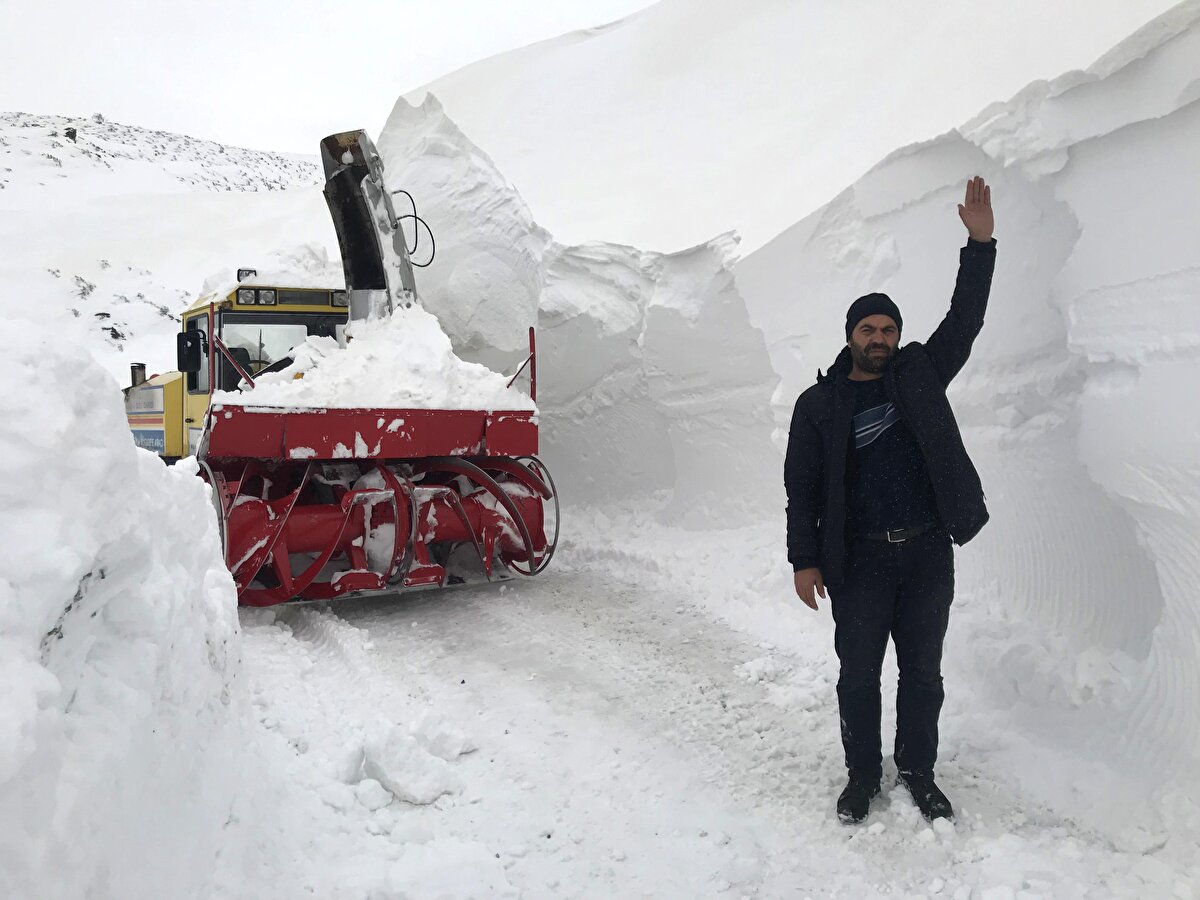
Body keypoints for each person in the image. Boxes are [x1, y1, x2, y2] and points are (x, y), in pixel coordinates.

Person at [784, 176, 997, 824]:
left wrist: (979, 244)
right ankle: (862, 776)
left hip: (928, 552)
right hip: (859, 560)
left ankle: (919, 771)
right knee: (858, 677)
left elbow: (964, 320)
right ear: (851, 334)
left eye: (889, 328)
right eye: (869, 328)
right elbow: (802, 488)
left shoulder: (921, 375)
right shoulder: (820, 405)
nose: (880, 336)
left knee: (924, 675)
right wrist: (804, 559)